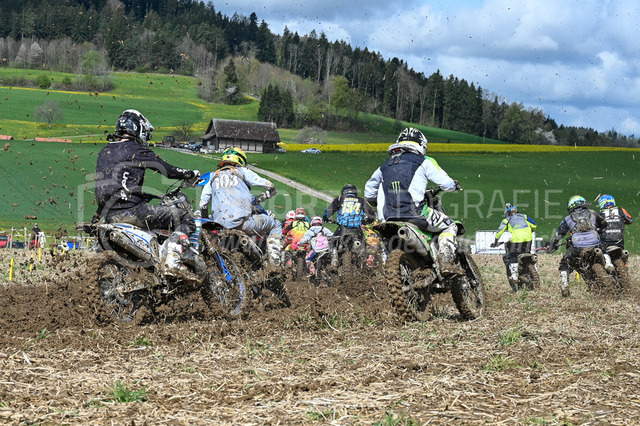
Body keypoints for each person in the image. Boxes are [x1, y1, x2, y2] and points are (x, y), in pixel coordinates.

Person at [95, 109, 204, 274]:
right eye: (146, 132)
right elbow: (167, 170)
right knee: (185, 218)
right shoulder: (136, 149)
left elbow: (108, 187)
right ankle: (173, 259)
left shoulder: (105, 151)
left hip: (109, 215)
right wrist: (189, 173)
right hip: (131, 212)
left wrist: (97, 216)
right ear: (138, 129)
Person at [364, 127, 462, 276]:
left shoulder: (384, 166)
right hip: (416, 214)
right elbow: (446, 184)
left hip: (387, 218)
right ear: (422, 145)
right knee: (450, 225)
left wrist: (376, 201)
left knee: (386, 249)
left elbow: (369, 193)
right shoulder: (424, 161)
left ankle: (380, 279)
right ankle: (446, 262)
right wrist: (453, 185)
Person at [199, 147, 282, 265]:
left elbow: (203, 204)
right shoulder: (242, 171)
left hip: (220, 226)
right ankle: (275, 262)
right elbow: (270, 187)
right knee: (275, 224)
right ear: (240, 160)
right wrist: (265, 196)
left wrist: (208, 226)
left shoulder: (212, 177)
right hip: (243, 223)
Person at [548, 195, 608, 297]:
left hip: (577, 247)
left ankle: (565, 284)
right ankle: (608, 264)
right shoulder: (593, 213)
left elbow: (558, 235)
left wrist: (551, 247)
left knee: (565, 264)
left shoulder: (567, 219)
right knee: (605, 250)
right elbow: (604, 223)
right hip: (595, 244)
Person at [323, 183, 376, 265]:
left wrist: (325, 218)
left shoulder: (339, 199)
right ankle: (363, 261)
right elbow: (372, 216)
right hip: (357, 229)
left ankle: (334, 258)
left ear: (344, 192)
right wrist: (366, 222)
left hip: (343, 228)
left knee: (333, 240)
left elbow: (328, 212)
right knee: (364, 243)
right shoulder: (361, 200)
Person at [490, 204, 537, 291]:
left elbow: (499, 231)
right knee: (527, 253)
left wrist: (495, 242)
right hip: (528, 239)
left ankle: (514, 275)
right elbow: (534, 225)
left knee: (511, 256)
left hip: (516, 240)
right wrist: (531, 230)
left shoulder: (507, 219)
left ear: (507, 213)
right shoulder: (524, 216)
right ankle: (535, 270)